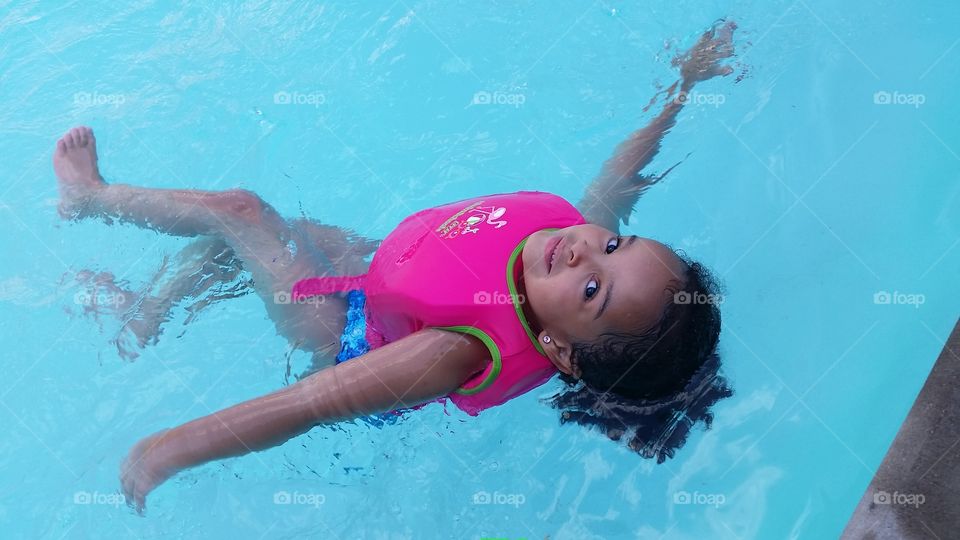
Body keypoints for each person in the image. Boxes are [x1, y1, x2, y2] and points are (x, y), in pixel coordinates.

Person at [51, 21, 738, 512]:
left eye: (591, 289)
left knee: (243, 215)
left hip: (345, 338)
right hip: (382, 274)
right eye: (615, 246)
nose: (590, 249)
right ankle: (143, 314)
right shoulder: (570, 249)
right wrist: (683, 90)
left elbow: (311, 404)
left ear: (555, 346)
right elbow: (615, 184)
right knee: (233, 248)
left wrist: (166, 449)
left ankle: (88, 200)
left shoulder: (455, 352)